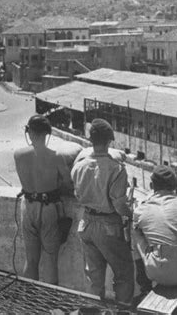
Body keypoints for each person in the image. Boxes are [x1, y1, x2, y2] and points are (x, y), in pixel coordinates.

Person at [71, 118, 134, 307]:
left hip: (86, 223)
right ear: (109, 141)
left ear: (91, 140)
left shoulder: (79, 166)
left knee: (94, 275)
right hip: (108, 226)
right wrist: (130, 213)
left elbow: (77, 194)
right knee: (123, 272)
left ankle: (93, 310)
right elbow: (118, 204)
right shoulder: (116, 169)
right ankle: (122, 310)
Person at [132, 165, 177, 310]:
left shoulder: (140, 209)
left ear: (152, 185)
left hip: (159, 272)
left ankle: (144, 284)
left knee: (136, 232)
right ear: (175, 186)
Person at [14, 114, 72, 285]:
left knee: (31, 260)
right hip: (48, 209)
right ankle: (49, 306)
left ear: (28, 132)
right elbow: (69, 185)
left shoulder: (18, 155)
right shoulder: (56, 157)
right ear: (47, 134)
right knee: (50, 260)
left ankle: (28, 305)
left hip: (27, 206)